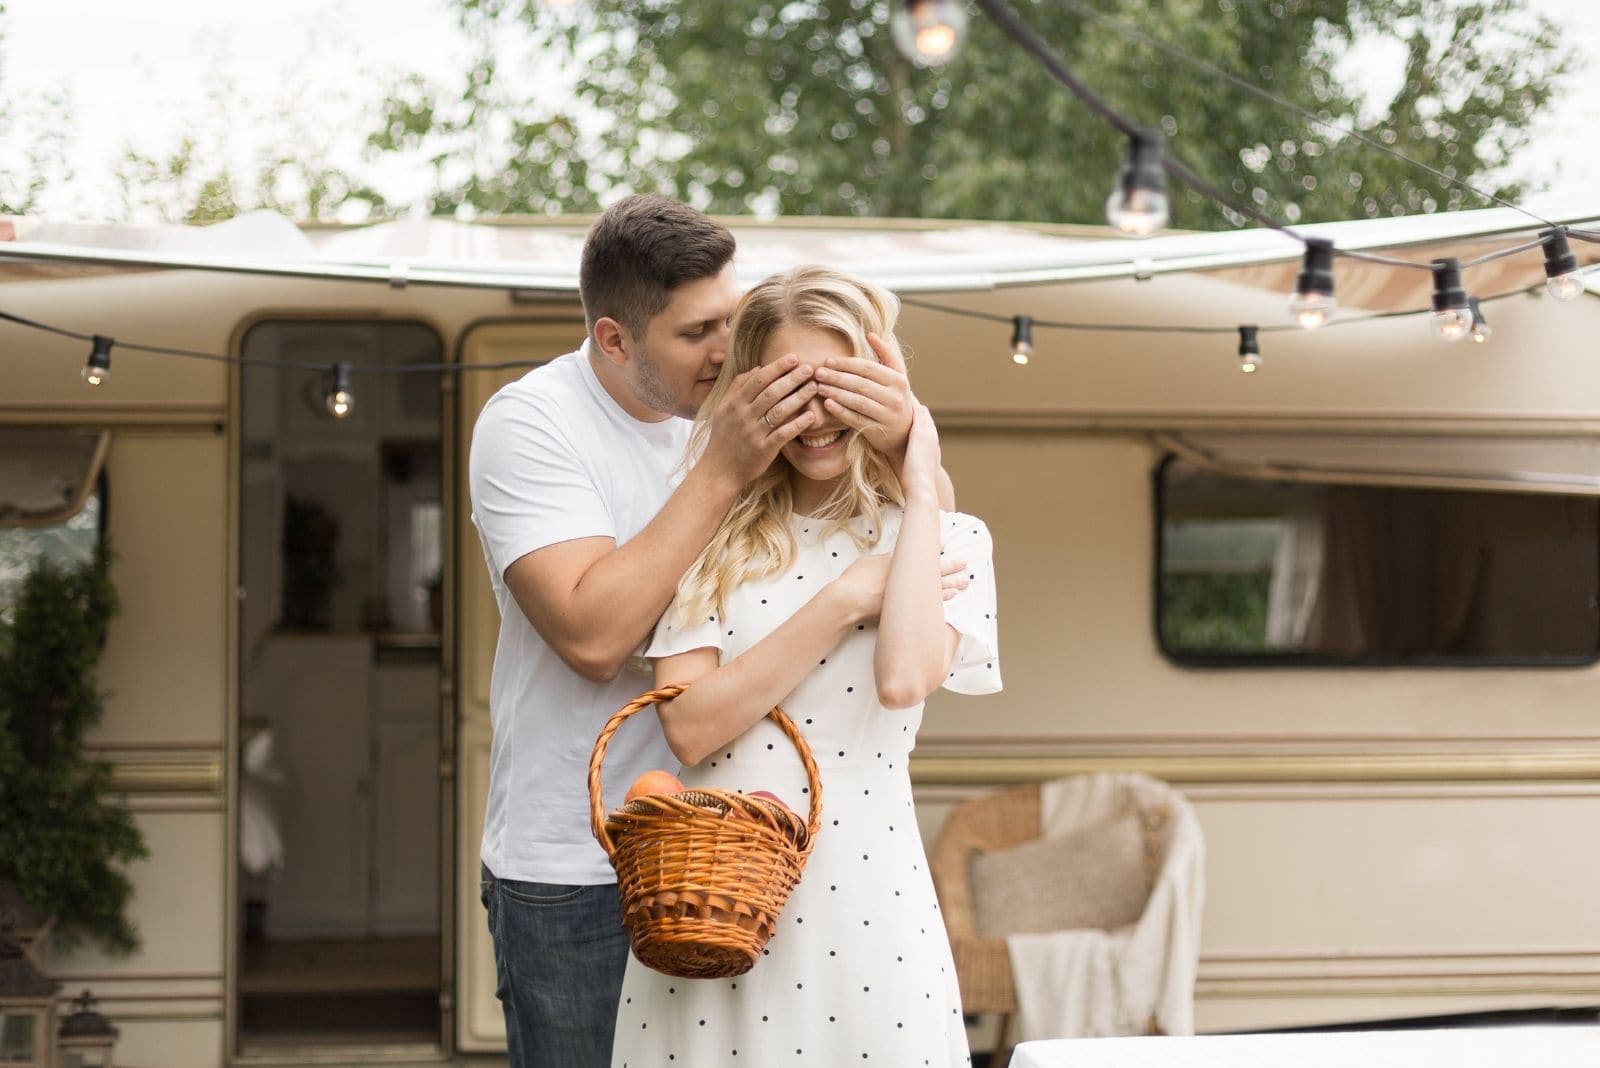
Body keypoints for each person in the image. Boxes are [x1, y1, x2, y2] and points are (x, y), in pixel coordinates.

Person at [468, 197, 956, 1068]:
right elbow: (592, 637)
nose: (726, 353)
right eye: (697, 334)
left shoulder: (753, 406)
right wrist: (726, 464)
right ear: (615, 340)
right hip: (584, 864)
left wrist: (907, 440)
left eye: (731, 321)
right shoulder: (532, 423)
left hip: (747, 866)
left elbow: (911, 544)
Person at [610, 264, 1001, 1067]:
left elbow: (902, 680)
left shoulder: (952, 539)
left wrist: (920, 479)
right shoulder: (710, 538)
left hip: (869, 902)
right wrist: (842, 600)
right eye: (791, 386)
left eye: (841, 385)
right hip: (718, 900)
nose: (817, 416)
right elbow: (686, 726)